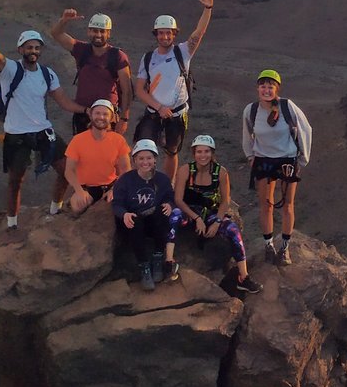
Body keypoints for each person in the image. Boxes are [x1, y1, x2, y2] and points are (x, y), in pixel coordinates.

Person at [0, 16, 83, 228]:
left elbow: (63, 101)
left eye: (36, 47)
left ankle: (55, 209)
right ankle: (12, 223)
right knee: (16, 181)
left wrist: (89, 110)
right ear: (20, 50)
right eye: (29, 47)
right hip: (16, 133)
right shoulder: (10, 70)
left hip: (42, 130)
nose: (33, 51)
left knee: (67, 171)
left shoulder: (47, 74)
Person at [47, 10, 132, 214]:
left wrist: (125, 116)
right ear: (88, 31)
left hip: (107, 116)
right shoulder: (82, 50)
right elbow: (56, 34)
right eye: (94, 30)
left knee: (109, 154)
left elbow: (127, 89)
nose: (98, 35)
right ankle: (83, 194)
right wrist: (64, 20)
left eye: (102, 31)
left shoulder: (117, 56)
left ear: (108, 33)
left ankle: (110, 193)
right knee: (83, 156)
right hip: (84, 113)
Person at [133, 0, 214, 190]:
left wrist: (208, 9)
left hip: (177, 113)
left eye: (168, 33)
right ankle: (143, 183)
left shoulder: (183, 52)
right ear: (156, 35)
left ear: (174, 34)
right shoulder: (148, 58)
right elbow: (140, 89)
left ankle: (166, 186)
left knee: (172, 150)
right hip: (153, 112)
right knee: (144, 147)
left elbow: (199, 33)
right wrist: (159, 107)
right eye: (161, 33)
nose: (164, 37)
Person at [166, 134, 262, 293]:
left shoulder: (221, 173)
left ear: (212, 153)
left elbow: (225, 201)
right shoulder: (185, 170)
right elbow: (178, 199)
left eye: (206, 152)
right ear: (193, 153)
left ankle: (243, 277)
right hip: (188, 212)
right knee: (174, 215)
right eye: (199, 152)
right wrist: (196, 218)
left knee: (232, 230)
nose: (203, 155)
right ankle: (169, 262)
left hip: (210, 213)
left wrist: (217, 222)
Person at [242, 69, 312, 266]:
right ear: (257, 88)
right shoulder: (251, 110)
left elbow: (306, 129)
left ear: (277, 88)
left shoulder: (288, 107)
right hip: (263, 160)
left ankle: (285, 248)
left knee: (288, 205)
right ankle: (268, 245)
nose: (266, 90)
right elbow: (247, 135)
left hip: (287, 160)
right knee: (266, 205)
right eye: (263, 86)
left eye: (270, 86)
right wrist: (250, 155)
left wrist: (302, 159)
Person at [112, 140, 176, 292]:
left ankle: (158, 256)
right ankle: (144, 266)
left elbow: (170, 197)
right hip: (134, 221)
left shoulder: (162, 180)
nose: (145, 162)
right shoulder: (126, 180)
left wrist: (169, 204)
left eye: (149, 158)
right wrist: (124, 214)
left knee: (162, 213)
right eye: (141, 158)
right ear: (134, 160)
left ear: (155, 159)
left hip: (153, 220)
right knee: (135, 221)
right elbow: (117, 204)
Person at [63, 99, 131, 213]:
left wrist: (115, 189)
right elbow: (69, 171)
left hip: (110, 185)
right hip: (86, 187)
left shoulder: (118, 140)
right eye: (97, 113)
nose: (101, 117)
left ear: (112, 118)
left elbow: (126, 169)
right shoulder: (78, 140)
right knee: (77, 206)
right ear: (91, 115)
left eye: (105, 114)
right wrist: (79, 191)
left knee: (122, 206)